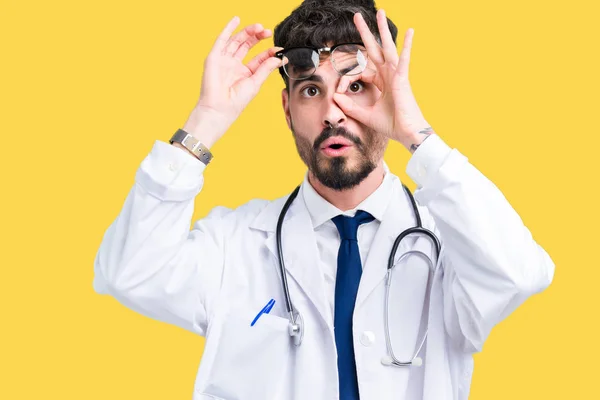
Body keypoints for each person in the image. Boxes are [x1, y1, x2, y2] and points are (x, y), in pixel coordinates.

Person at [93, 0, 555, 399]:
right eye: (311, 90)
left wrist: (418, 137)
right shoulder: (234, 244)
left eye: (357, 87)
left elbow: (520, 273)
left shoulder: (450, 239)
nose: (334, 113)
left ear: (392, 98)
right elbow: (128, 272)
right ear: (288, 108)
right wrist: (206, 121)